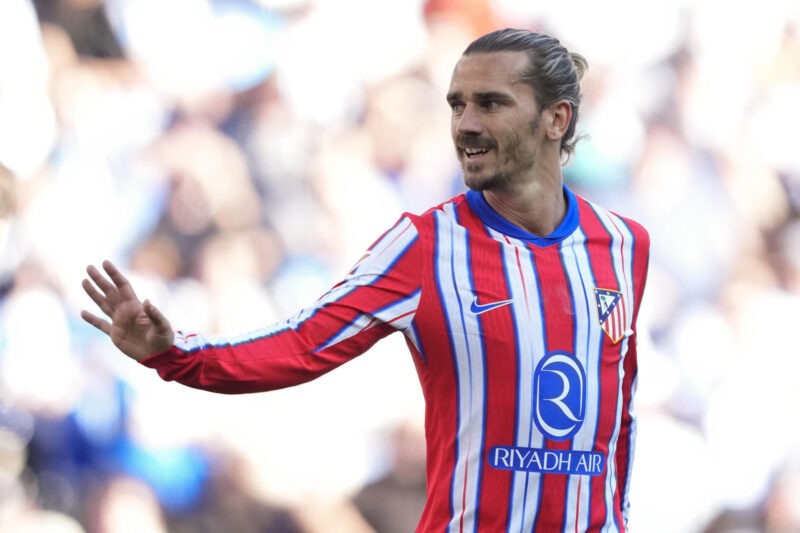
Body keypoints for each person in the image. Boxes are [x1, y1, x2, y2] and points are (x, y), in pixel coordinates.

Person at [82, 28, 650, 532]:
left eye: (491, 104)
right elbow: (300, 344)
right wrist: (174, 353)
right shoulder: (426, 246)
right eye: (457, 106)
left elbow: (617, 413)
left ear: (557, 119)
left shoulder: (626, 248)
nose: (467, 125)